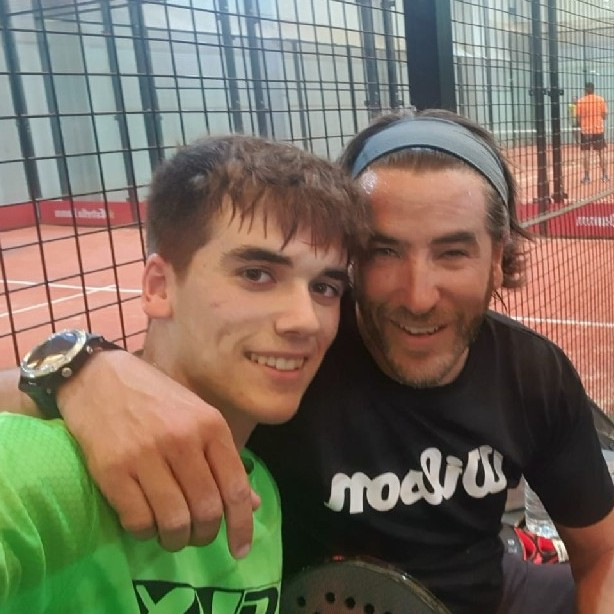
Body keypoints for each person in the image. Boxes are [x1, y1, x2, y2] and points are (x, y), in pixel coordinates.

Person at [5, 110, 614, 613]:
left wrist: (79, 368)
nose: (418, 295)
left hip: (490, 587)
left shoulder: (530, 371)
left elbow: (603, 551)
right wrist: (79, 371)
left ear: (498, 259)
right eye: (382, 252)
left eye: (453, 253)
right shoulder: (288, 369)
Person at [0, 134, 371, 611]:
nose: (305, 321)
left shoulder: (258, 491)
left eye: (325, 287)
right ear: (159, 287)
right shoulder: (46, 472)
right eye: (257, 274)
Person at [575, 82, 608, 183]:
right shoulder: (600, 99)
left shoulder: (581, 101)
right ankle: (605, 175)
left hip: (586, 131)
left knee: (586, 153)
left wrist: (583, 122)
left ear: (585, 90)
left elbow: (578, 119)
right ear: (593, 89)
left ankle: (587, 177)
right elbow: (605, 116)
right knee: (601, 152)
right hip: (598, 130)